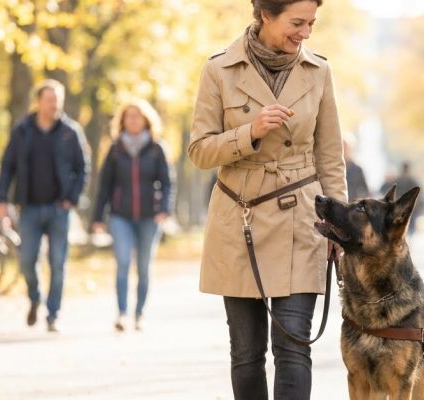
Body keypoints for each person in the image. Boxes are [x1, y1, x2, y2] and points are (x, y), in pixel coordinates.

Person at [187, 0, 346, 398]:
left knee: (294, 348)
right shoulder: (218, 70)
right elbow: (200, 151)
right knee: (246, 354)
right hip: (238, 218)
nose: (305, 33)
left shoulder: (320, 71)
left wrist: (339, 229)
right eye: (296, 23)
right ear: (265, 16)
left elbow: (330, 157)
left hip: (300, 220)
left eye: (311, 23)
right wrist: (250, 132)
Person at [0, 79, 89, 333]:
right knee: (27, 260)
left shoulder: (71, 131)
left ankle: (53, 314)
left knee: (58, 263)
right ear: (38, 102)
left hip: (60, 209)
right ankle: (35, 297)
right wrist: (1, 199)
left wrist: (71, 198)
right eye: (50, 100)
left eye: (58, 100)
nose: (55, 105)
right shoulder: (22, 130)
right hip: (30, 208)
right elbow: (7, 166)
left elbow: (83, 168)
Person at [91, 99, 171, 332]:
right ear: (123, 121)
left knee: (144, 267)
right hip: (120, 216)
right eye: (129, 116)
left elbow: (167, 183)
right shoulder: (116, 149)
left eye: (137, 116)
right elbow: (104, 185)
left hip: (149, 217)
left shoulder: (156, 148)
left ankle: (140, 313)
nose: (133, 120)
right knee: (123, 262)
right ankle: (122, 313)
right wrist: (97, 218)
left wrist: (164, 209)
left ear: (146, 119)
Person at [343, 134, 370, 201]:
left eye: (346, 147)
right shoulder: (336, 168)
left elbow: (365, 190)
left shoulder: (358, 169)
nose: (344, 150)